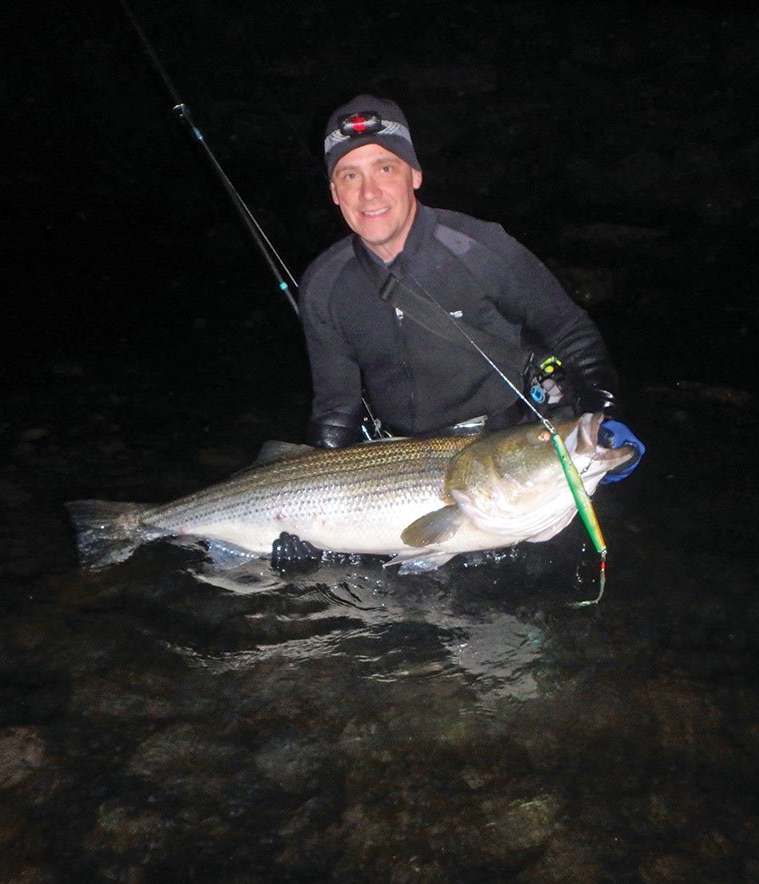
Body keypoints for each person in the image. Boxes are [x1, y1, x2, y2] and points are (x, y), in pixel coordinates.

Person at [271, 94, 639, 570]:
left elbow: (570, 332)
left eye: (385, 168)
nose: (369, 193)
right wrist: (305, 522)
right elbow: (335, 409)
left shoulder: (481, 249)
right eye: (350, 175)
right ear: (334, 192)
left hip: (506, 458)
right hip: (403, 472)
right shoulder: (324, 285)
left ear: (414, 175)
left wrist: (602, 410)